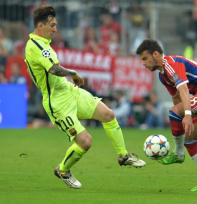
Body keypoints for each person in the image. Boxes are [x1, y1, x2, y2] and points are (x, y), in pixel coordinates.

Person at [24, 5, 145, 189]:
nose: (55, 29)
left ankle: (123, 155)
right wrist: (73, 72)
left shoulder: (44, 43)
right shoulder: (36, 46)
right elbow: (53, 69)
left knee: (108, 115)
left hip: (69, 91)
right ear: (40, 26)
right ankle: (63, 170)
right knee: (85, 142)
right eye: (52, 25)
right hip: (57, 103)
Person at [136, 39, 197, 192]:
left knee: (173, 112)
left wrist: (187, 114)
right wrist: (182, 115)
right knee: (190, 139)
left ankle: (178, 154)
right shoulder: (162, 76)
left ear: (156, 54)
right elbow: (177, 98)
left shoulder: (171, 65)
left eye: (145, 59)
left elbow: (183, 89)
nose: (143, 63)